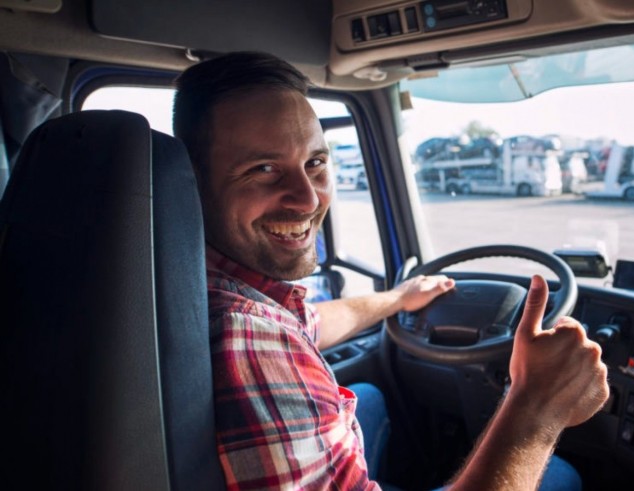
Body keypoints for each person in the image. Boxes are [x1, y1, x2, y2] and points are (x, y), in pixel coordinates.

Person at [173, 51, 609, 490]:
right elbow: (266, 335)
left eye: (316, 163)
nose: (308, 200)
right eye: (263, 170)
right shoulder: (248, 337)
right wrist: (536, 405)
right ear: (191, 184)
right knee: (559, 475)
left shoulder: (202, 283)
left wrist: (400, 298)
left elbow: (312, 322)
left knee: (369, 399)